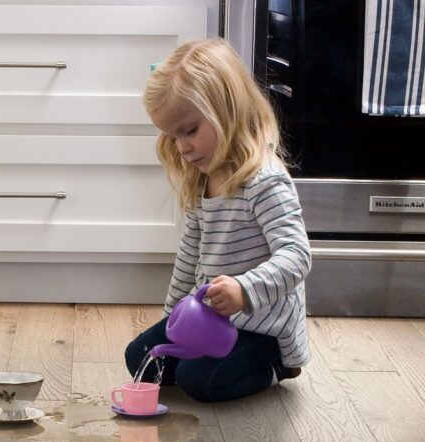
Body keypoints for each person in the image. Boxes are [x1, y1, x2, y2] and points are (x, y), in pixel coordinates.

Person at [124, 38, 311, 403]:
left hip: (261, 327)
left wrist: (245, 289)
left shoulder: (265, 180)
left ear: (227, 110)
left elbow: (297, 255)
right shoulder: (202, 181)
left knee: (200, 381)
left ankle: (278, 367)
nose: (182, 147)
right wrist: (172, 322)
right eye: (173, 136)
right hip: (213, 321)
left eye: (190, 130)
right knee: (139, 359)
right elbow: (188, 257)